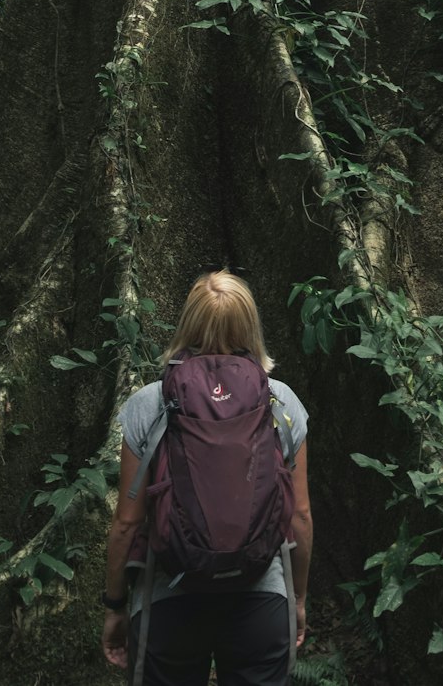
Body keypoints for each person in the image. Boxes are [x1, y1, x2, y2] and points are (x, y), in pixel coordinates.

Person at [101, 270, 312, 685]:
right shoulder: (281, 402)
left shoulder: (150, 403)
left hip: (167, 599)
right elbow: (300, 516)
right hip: (261, 595)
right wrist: (299, 599)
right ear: (252, 325)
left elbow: (127, 523)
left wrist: (114, 605)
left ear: (187, 323)